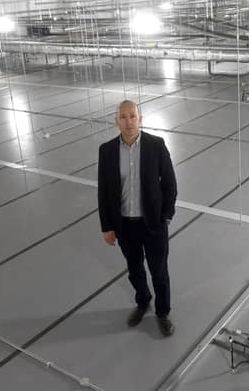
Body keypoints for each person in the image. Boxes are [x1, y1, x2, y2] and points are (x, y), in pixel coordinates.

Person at [97, 100, 178, 337]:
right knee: (134, 270)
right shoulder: (107, 151)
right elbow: (103, 191)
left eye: (132, 116)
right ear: (116, 121)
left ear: (140, 119)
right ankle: (143, 301)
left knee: (159, 271)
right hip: (124, 225)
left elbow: (170, 184)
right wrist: (107, 227)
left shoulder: (156, 145)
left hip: (153, 224)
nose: (128, 121)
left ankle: (162, 312)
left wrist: (166, 216)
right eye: (123, 117)